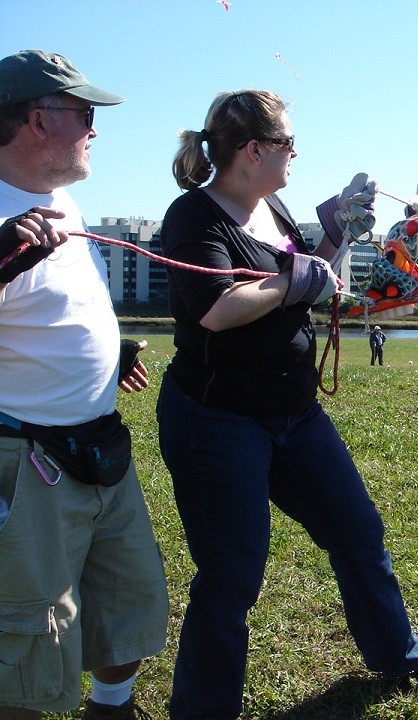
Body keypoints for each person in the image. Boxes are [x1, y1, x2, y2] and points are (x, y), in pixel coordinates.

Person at [156, 89, 418, 720]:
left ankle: (400, 655)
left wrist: (338, 229)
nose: (295, 153)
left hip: (294, 413)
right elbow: (216, 309)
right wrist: (293, 279)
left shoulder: (272, 207)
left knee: (358, 532)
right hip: (216, 419)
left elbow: (314, 269)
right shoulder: (194, 218)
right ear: (253, 150)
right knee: (231, 575)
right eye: (288, 143)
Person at [0, 50, 168, 720]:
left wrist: (106, 354)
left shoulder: (61, 202)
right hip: (27, 462)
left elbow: (51, 308)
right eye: (83, 112)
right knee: (27, 635)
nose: (95, 128)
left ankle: (112, 708)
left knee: (128, 600)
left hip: (101, 450)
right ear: (38, 120)